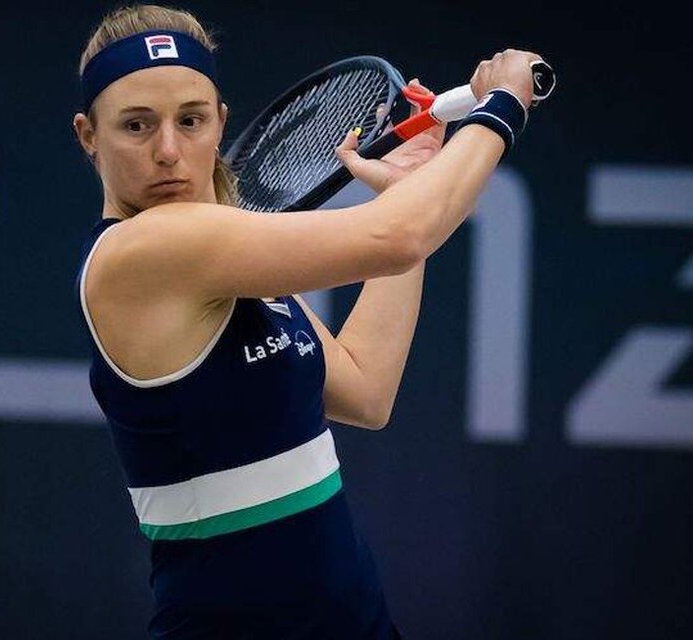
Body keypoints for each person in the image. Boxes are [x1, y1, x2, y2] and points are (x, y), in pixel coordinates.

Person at [72, 4, 543, 638]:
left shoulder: (230, 256)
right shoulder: (141, 252)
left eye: (191, 120)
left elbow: (365, 390)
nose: (168, 151)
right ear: (88, 136)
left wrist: (402, 190)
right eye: (137, 125)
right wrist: (502, 107)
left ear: (220, 123)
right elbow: (401, 236)